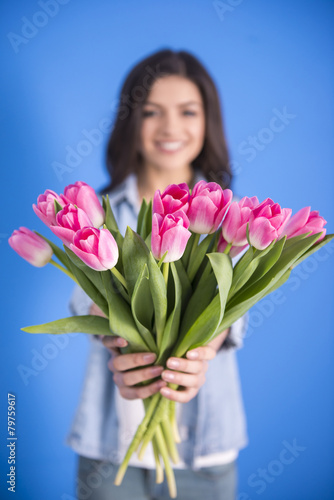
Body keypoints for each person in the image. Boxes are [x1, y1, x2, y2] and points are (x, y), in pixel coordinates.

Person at [67, 49, 248, 500]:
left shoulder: (227, 217)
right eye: (151, 112)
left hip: (205, 449)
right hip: (110, 450)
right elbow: (81, 297)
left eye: (188, 111)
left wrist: (203, 346)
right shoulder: (101, 211)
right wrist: (113, 330)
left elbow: (235, 306)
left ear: (208, 121)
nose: (170, 128)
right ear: (131, 121)